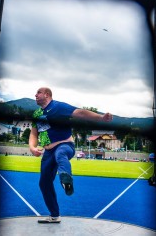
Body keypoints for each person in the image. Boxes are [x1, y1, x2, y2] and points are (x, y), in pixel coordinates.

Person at [29, 87, 112, 223]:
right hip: (48, 152)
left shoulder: (58, 107)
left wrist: (101, 118)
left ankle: (66, 180)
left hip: (64, 145)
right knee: (44, 183)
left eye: (38, 92)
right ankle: (54, 215)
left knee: (61, 154)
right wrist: (32, 147)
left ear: (47, 94)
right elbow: (33, 133)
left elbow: (80, 113)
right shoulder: (37, 114)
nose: (35, 95)